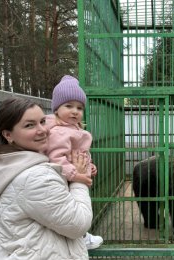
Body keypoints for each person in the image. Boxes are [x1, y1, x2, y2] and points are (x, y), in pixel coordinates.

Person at [0, 97, 92, 259]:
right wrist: (78, 179)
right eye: (29, 125)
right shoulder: (35, 178)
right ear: (8, 134)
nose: (43, 130)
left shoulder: (7, 165)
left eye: (42, 121)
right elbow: (78, 224)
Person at [45, 75, 103, 250]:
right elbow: (56, 158)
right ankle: (80, 237)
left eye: (79, 107)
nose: (75, 111)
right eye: (68, 106)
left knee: (78, 208)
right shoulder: (59, 132)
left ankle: (82, 236)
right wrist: (76, 175)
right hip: (65, 180)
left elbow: (81, 153)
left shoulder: (74, 128)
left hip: (74, 177)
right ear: (56, 109)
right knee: (71, 211)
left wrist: (89, 165)